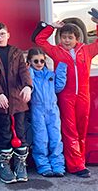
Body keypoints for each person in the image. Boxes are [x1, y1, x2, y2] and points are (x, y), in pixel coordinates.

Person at [32, 20, 97, 177]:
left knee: (82, 128)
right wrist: (52, 27)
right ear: (59, 38)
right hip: (65, 97)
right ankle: (75, 166)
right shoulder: (56, 52)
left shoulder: (86, 50)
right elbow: (39, 40)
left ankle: (79, 160)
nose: (66, 40)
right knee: (70, 130)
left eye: (70, 37)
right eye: (64, 37)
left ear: (77, 38)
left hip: (83, 95)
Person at [0, 22, 33, 183]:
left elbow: (23, 71)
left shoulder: (16, 51)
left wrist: (27, 86)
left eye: (2, 34)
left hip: (18, 101)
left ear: (8, 34)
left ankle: (20, 165)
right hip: (0, 102)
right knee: (4, 132)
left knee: (20, 132)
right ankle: (3, 166)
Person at [26, 46, 66, 178]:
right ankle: (43, 166)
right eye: (35, 61)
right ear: (30, 62)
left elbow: (58, 87)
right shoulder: (30, 77)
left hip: (53, 110)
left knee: (55, 138)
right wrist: (28, 71)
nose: (39, 64)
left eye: (41, 61)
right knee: (41, 139)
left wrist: (61, 69)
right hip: (38, 110)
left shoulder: (50, 75)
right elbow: (29, 89)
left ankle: (58, 165)